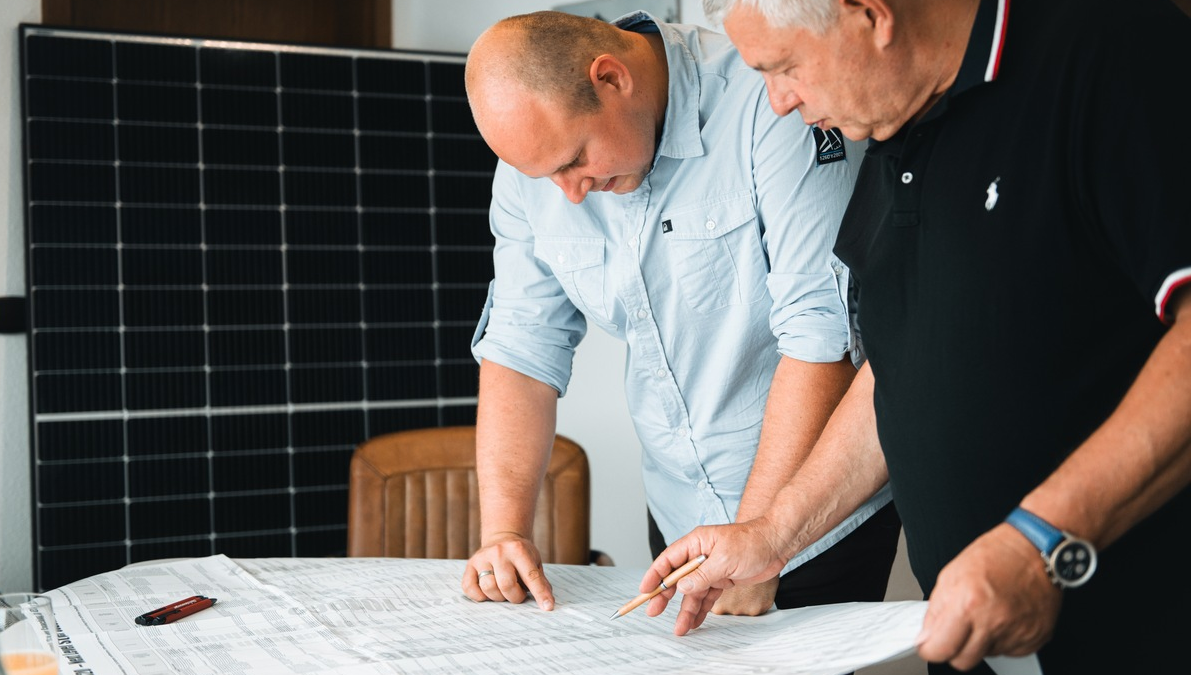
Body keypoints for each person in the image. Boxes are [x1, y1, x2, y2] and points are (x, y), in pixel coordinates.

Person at [640, 0, 1191, 673]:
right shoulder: (893, 116)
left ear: (870, 15)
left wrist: (1041, 538)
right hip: (977, 639)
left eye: (783, 67)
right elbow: (898, 364)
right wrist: (772, 533)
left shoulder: (1115, 52)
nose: (779, 102)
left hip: (1143, 627)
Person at [460, 9, 902, 618]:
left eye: (574, 160)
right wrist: (504, 532)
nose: (568, 191)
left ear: (611, 79)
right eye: (545, 175)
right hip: (676, 512)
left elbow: (821, 332)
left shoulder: (770, 102)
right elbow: (520, 345)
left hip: (807, 514)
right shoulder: (534, 165)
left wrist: (760, 543)